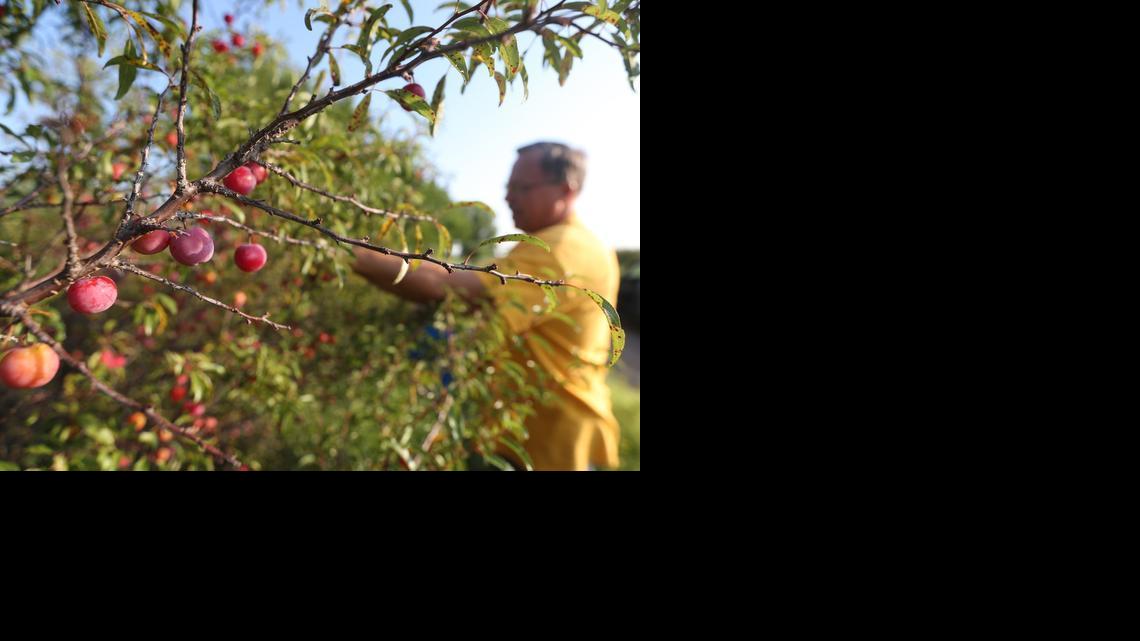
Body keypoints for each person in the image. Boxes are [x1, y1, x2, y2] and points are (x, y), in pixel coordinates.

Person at [352, 142, 621, 470]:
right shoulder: (585, 244)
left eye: (522, 188)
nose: (509, 197)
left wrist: (349, 253)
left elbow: (446, 288)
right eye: (508, 187)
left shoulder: (562, 249)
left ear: (566, 189)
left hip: (546, 442)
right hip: (535, 426)